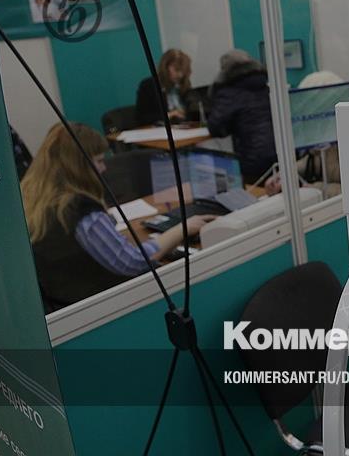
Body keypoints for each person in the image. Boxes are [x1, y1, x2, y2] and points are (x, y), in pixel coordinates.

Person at [21, 123, 214, 312]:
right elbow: (133, 262)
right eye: (98, 161)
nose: (104, 168)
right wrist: (183, 228)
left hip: (64, 300)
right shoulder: (79, 210)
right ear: (78, 166)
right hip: (103, 307)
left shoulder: (34, 199)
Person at [206, 49, 277, 184]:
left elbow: (215, 127)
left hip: (252, 159)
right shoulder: (264, 85)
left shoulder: (228, 92)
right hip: (279, 153)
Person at [135, 49, 193, 125]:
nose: (180, 75)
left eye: (183, 71)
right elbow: (141, 118)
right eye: (176, 70)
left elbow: (192, 112)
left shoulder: (184, 86)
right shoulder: (148, 85)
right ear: (165, 67)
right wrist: (169, 115)